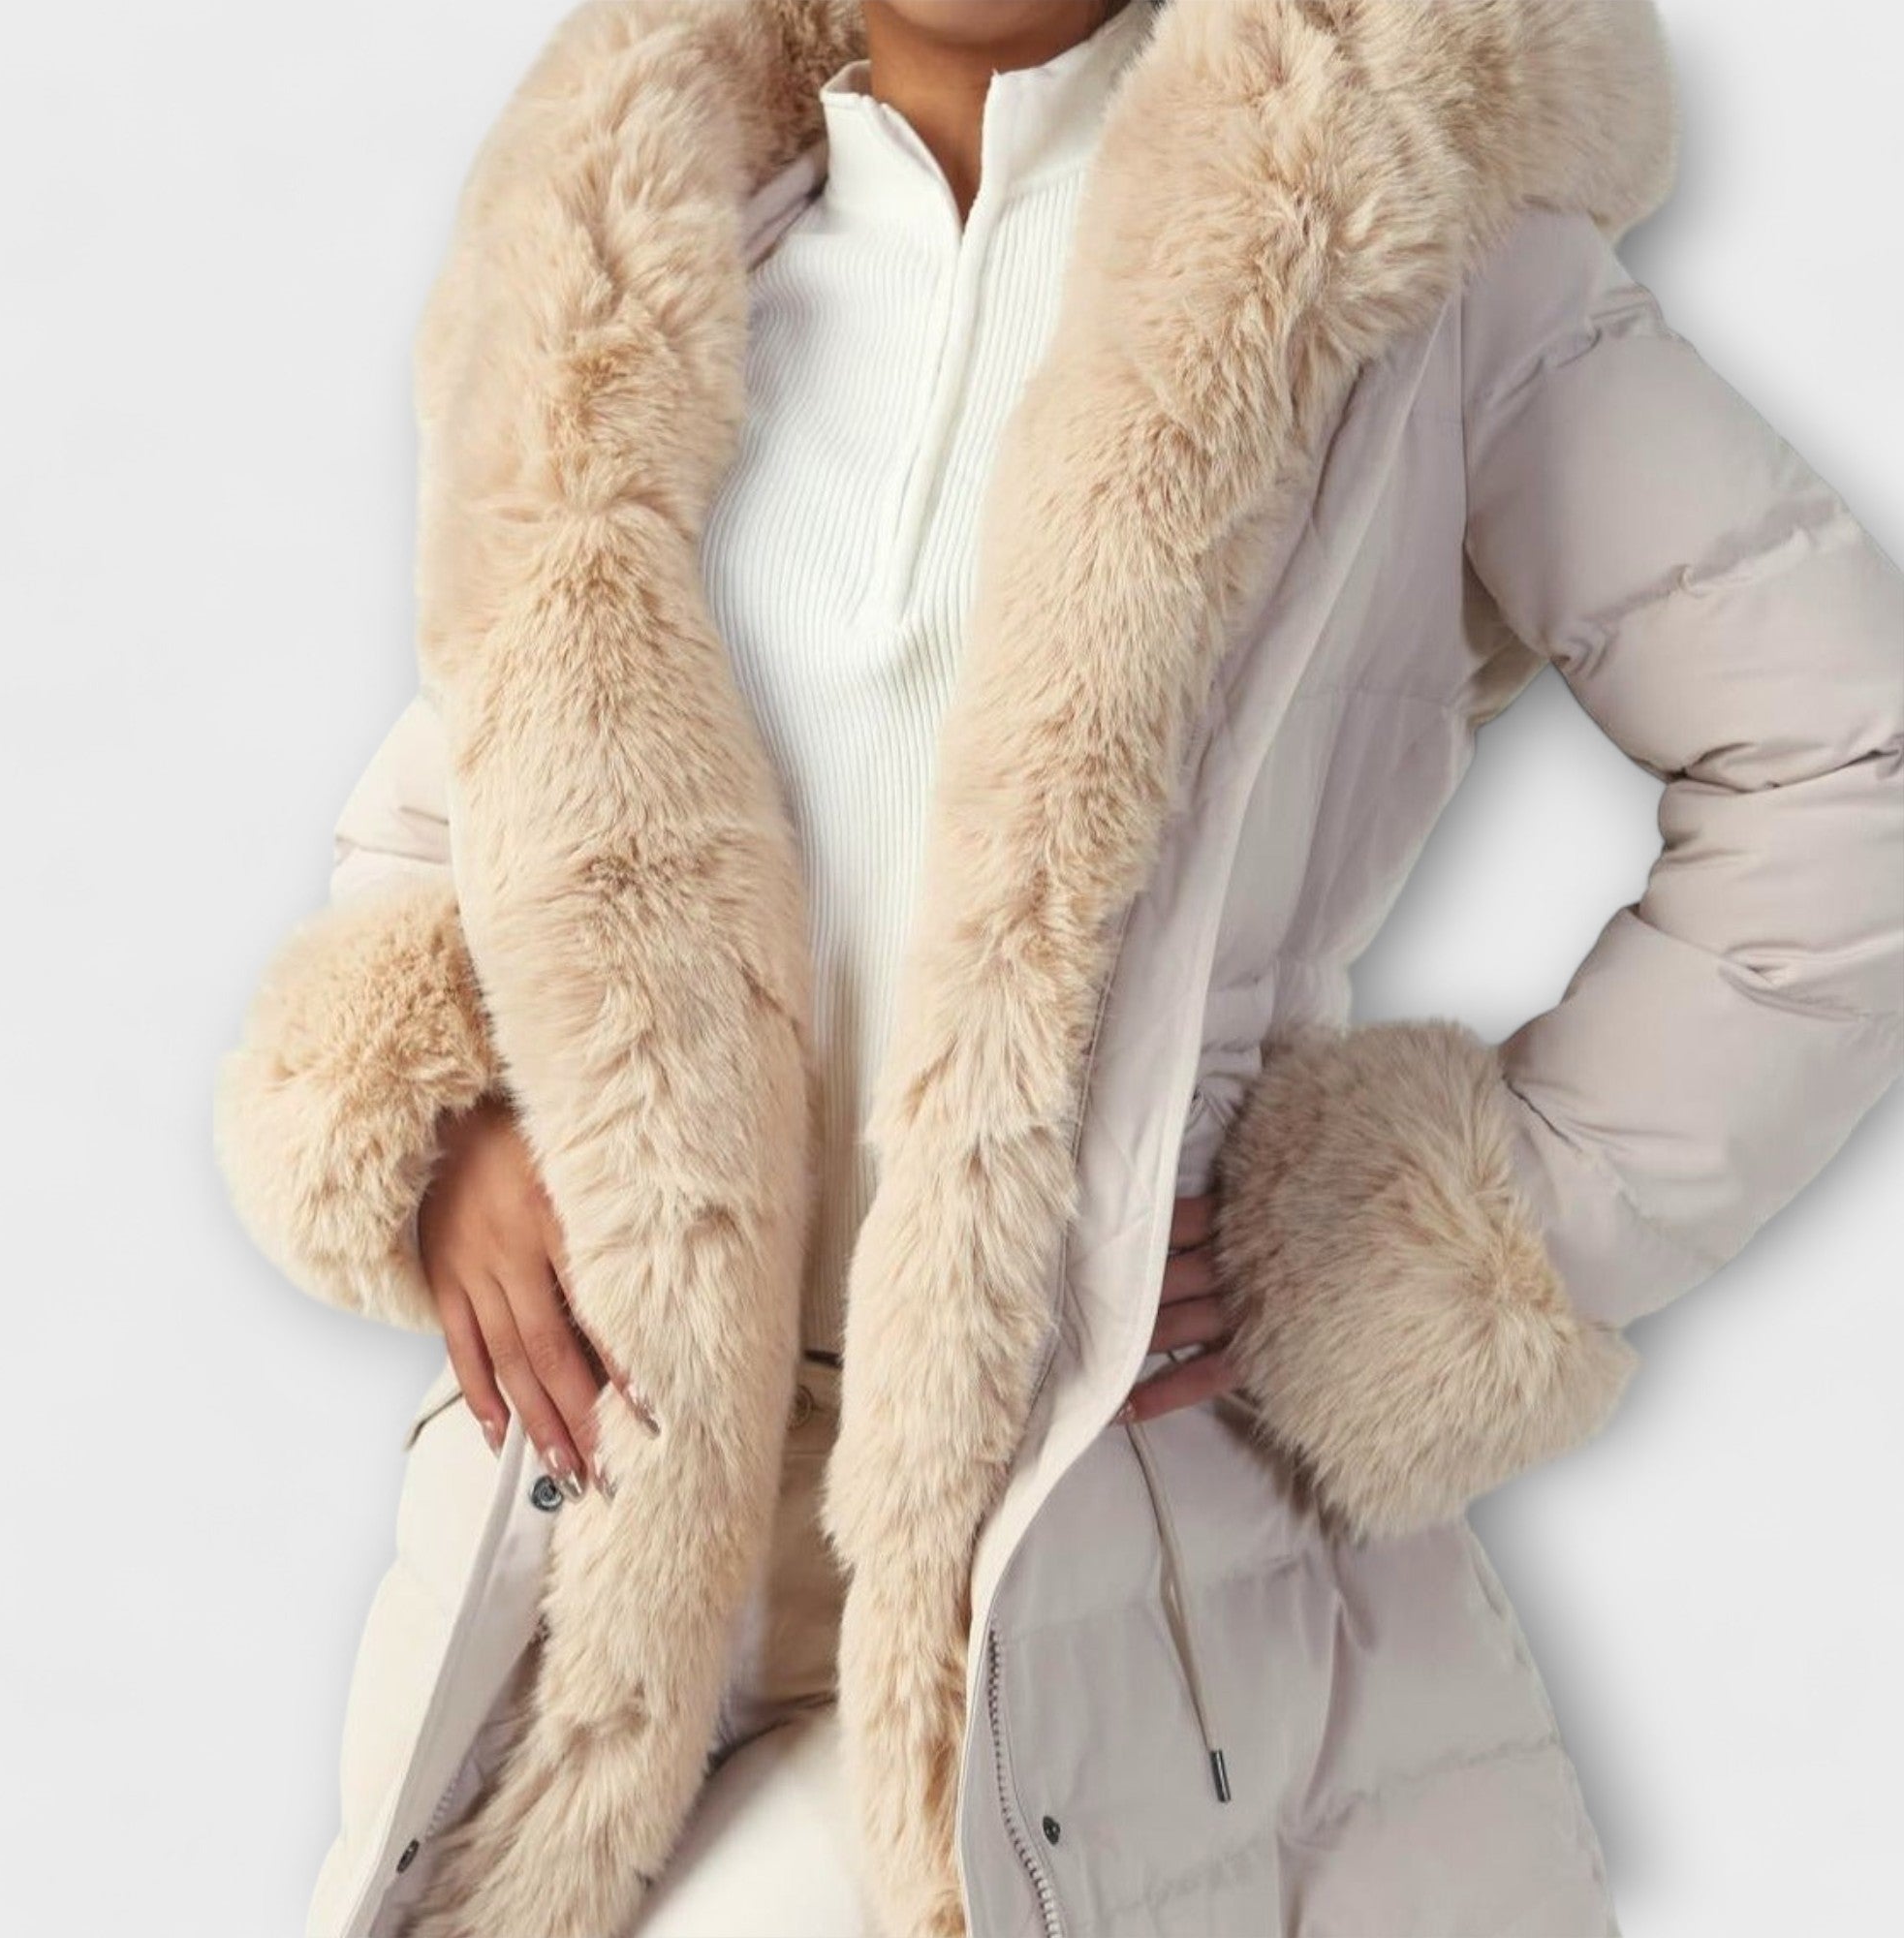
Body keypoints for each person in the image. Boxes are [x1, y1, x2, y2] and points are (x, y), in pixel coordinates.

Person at [213, 0, 1904, 1933]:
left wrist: (1480, 1226)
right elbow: (462, 794)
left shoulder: (1398, 250)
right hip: (603, 1518)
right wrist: (439, 1113)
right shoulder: (653, 271)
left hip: (1082, 1542)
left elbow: (1847, 762)